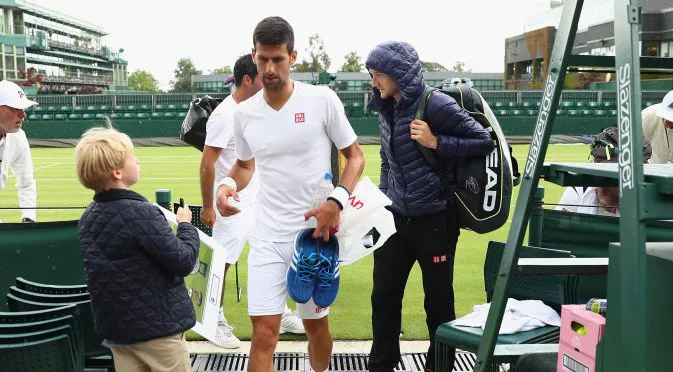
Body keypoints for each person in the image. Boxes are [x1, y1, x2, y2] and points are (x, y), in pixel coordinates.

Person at [215, 16, 364, 372]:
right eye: (262, 58)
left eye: (277, 59)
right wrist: (227, 185)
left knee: (316, 327)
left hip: (314, 236)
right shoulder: (244, 114)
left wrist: (335, 202)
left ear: (292, 56)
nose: (269, 67)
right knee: (264, 333)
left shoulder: (321, 100)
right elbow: (245, 166)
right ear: (254, 56)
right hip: (267, 235)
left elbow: (355, 157)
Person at [365, 41, 495, 372]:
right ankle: (381, 365)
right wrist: (383, 199)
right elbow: (386, 159)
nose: (373, 82)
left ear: (396, 74)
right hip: (394, 220)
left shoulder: (435, 104)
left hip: (435, 220)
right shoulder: (385, 107)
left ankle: (438, 367)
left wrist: (435, 142)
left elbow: (483, 140)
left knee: (437, 303)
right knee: (383, 297)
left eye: (377, 75)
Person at [199, 53, 304, 349]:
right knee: (224, 261)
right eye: (261, 74)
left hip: (260, 199)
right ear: (248, 79)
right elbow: (208, 164)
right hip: (231, 204)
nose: (268, 78)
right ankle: (215, 321)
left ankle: (280, 313)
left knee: (273, 252)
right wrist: (208, 205)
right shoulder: (224, 115)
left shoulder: (255, 109)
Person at [76, 127, 200, 372]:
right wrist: (186, 226)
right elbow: (184, 260)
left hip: (117, 331)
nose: (138, 160)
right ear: (117, 172)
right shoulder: (140, 213)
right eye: (132, 157)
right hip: (159, 330)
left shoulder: (88, 217)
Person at [556, 126, 652, 216]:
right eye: (606, 206)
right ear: (596, 189)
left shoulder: (653, 193)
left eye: (622, 205)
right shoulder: (578, 189)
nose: (615, 212)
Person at [0, 79, 38, 223]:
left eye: (23, 108)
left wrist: (29, 218)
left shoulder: (19, 137)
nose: (23, 114)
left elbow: (26, 182)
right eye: (15, 108)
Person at [642, 90, 673, 164]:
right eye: (663, 116)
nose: (665, 123)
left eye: (670, 119)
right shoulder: (647, 115)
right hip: (650, 169)